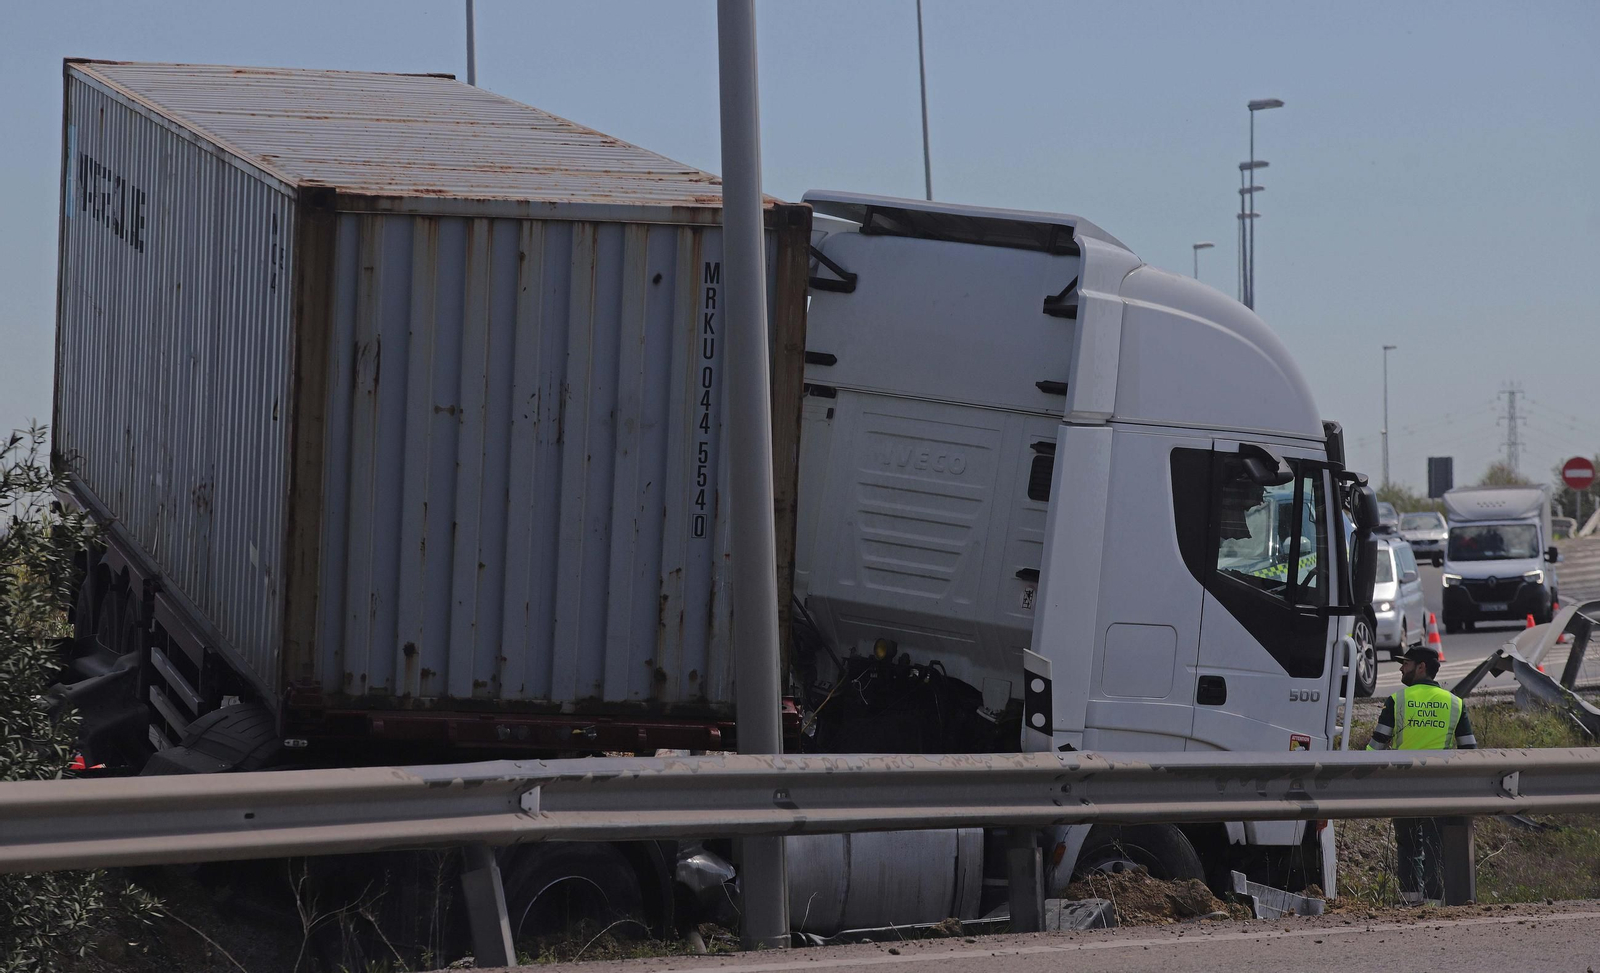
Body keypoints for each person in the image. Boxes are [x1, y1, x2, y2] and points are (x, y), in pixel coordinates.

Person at [1366, 645, 1476, 905]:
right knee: (1435, 844)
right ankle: (1434, 900)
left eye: (1406, 663)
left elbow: (1376, 747)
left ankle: (1410, 900)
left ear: (1421, 667)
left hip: (1405, 784)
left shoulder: (1398, 700)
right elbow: (1470, 750)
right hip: (1441, 786)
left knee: (1408, 845)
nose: (1401, 668)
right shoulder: (1455, 703)